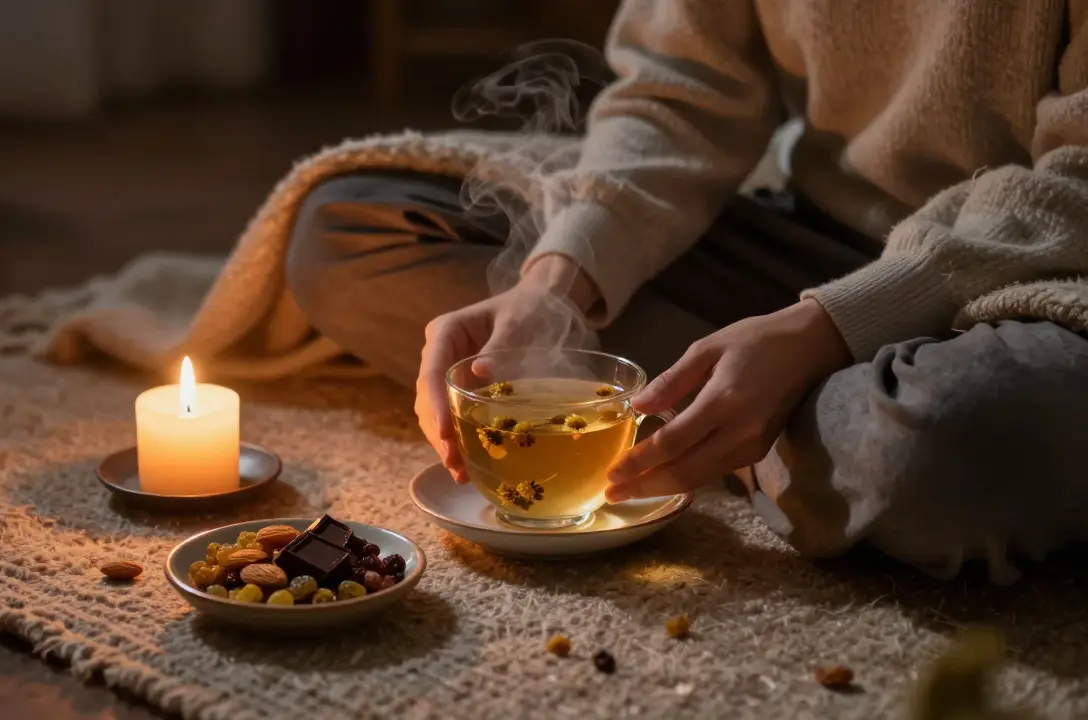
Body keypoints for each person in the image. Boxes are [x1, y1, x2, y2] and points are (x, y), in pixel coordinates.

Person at [285, 0, 1088, 584]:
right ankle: (763, 414)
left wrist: (821, 331)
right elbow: (678, 93)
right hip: (809, 246)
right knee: (347, 227)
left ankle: (743, 410)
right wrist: (557, 284)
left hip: (1033, 271)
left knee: (949, 441)